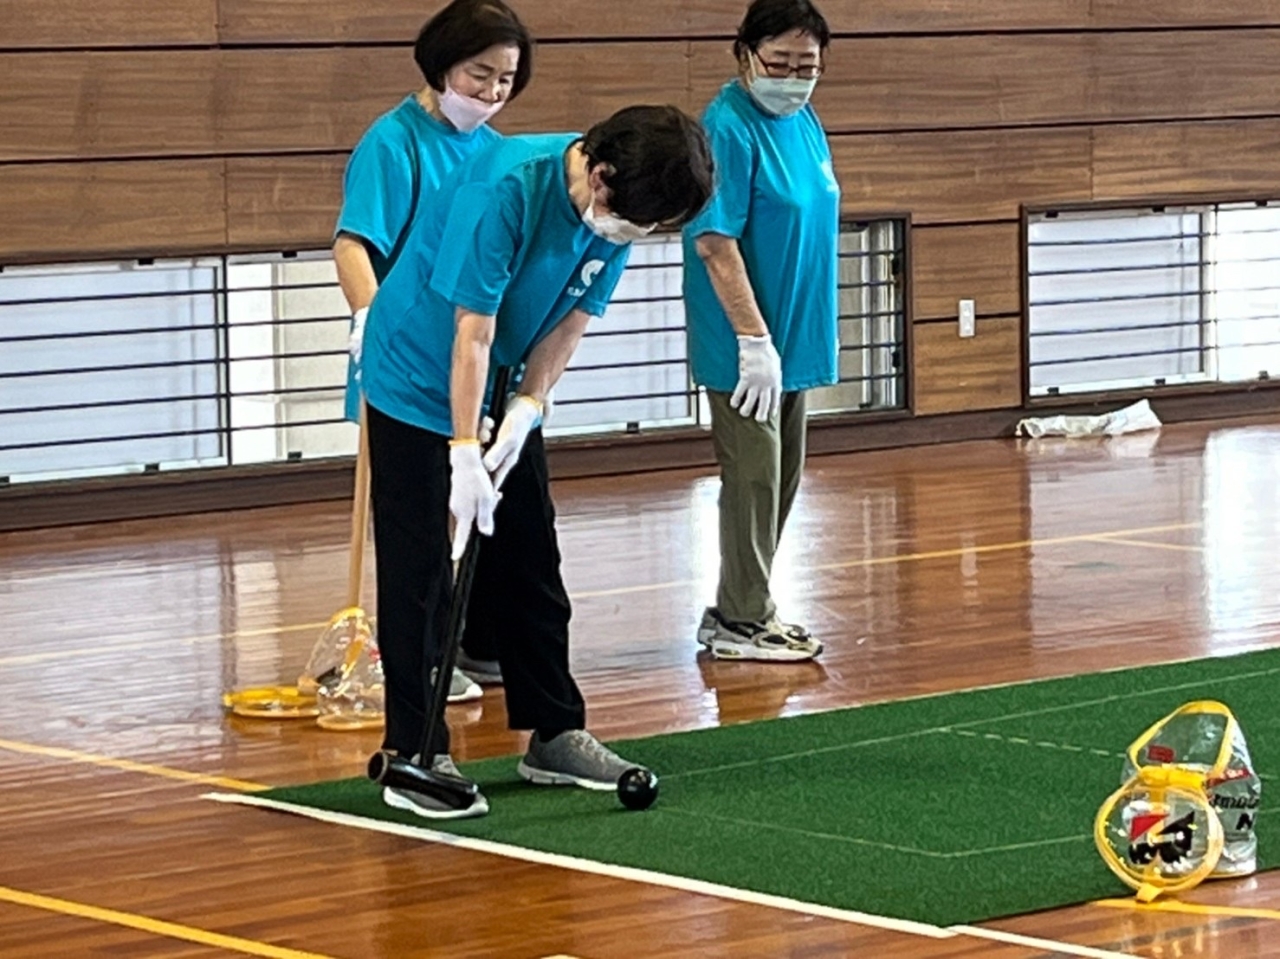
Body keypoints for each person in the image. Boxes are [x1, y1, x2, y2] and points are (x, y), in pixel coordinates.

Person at [360, 105, 714, 818]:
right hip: (415, 375)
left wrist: (528, 407)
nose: (632, 238)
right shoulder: (505, 189)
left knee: (530, 556)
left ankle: (554, 731)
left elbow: (571, 320)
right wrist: (463, 450)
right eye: (634, 224)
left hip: (501, 378)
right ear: (601, 174)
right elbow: (471, 331)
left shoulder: (617, 210)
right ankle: (412, 749)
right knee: (421, 566)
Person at [332, 0, 532, 701]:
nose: (492, 93)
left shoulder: (497, 152)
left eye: (506, 80)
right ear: (443, 62)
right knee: (421, 517)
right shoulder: (394, 143)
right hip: (405, 355)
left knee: (470, 509)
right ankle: (416, 656)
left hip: (470, 357)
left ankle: (460, 643)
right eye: (480, 75)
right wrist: (366, 314)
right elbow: (354, 241)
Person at [682, 0, 837, 663]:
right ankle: (741, 618)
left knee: (784, 475)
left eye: (808, 66)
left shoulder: (805, 121)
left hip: (797, 336)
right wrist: (751, 340)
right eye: (780, 63)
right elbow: (714, 241)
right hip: (745, 341)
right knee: (752, 475)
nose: (794, 78)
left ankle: (743, 604)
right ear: (743, 54)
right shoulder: (725, 128)